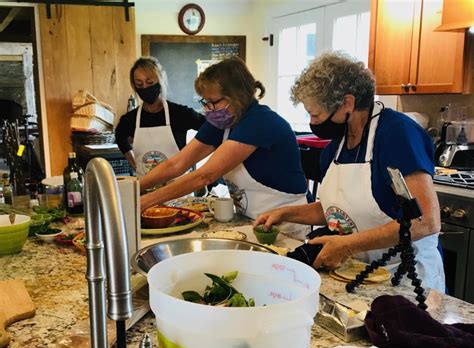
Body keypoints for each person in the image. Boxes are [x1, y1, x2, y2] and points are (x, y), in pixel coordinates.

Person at [255, 51, 445, 292]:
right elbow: (338, 209)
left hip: (406, 277)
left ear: (347, 103)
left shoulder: (397, 134)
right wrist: (285, 214)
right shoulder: (336, 147)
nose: (313, 123)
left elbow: (425, 221)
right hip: (359, 273)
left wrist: (346, 245)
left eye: (316, 114)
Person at [140, 56, 309, 237]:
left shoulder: (260, 121)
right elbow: (176, 164)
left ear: (237, 96)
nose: (209, 109)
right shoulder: (224, 121)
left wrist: (145, 201)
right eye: (205, 102)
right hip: (250, 219)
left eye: (213, 102)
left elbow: (206, 176)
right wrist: (134, 190)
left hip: (286, 225)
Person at [115, 57, 206, 177]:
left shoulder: (179, 113)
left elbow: (209, 128)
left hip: (178, 187)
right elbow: (119, 136)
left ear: (160, 81)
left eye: (150, 82)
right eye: (139, 84)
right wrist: (134, 164)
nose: (145, 88)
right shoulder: (130, 119)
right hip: (146, 188)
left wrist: (190, 158)